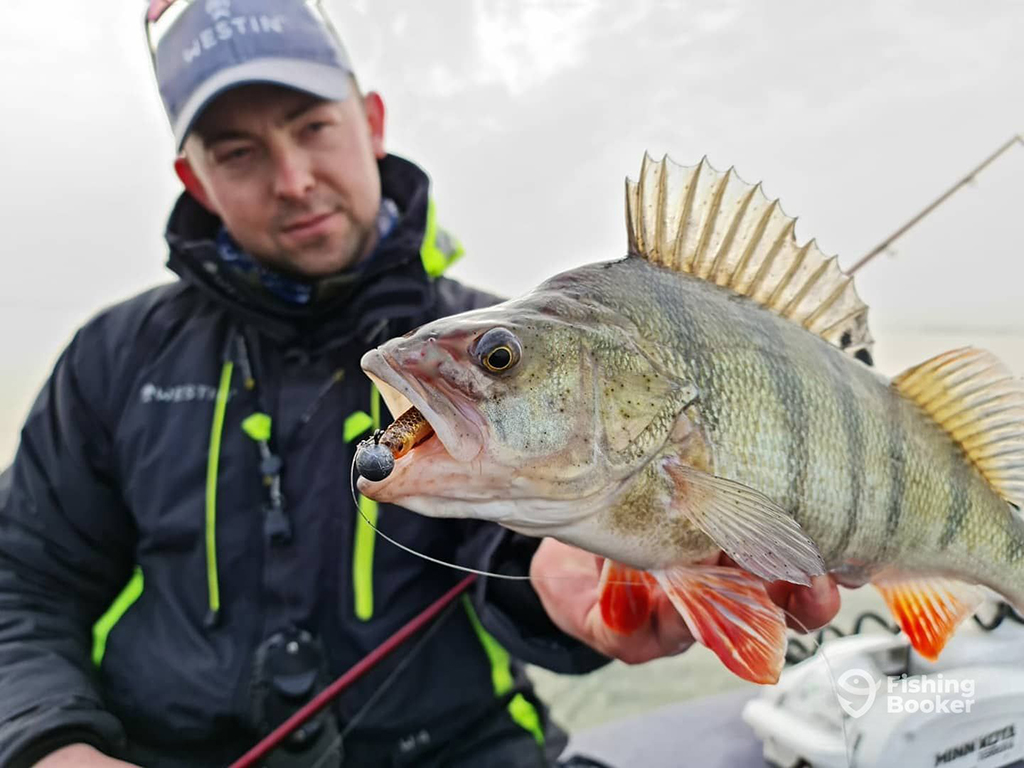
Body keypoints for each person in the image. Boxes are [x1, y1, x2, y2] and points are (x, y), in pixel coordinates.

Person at [0, 2, 841, 766]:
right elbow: (21, 583)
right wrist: (51, 744)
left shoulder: (488, 348)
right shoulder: (114, 359)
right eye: (238, 152)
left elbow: (512, 533)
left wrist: (568, 570)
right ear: (195, 180)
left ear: (370, 123)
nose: (293, 179)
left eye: (312, 127)